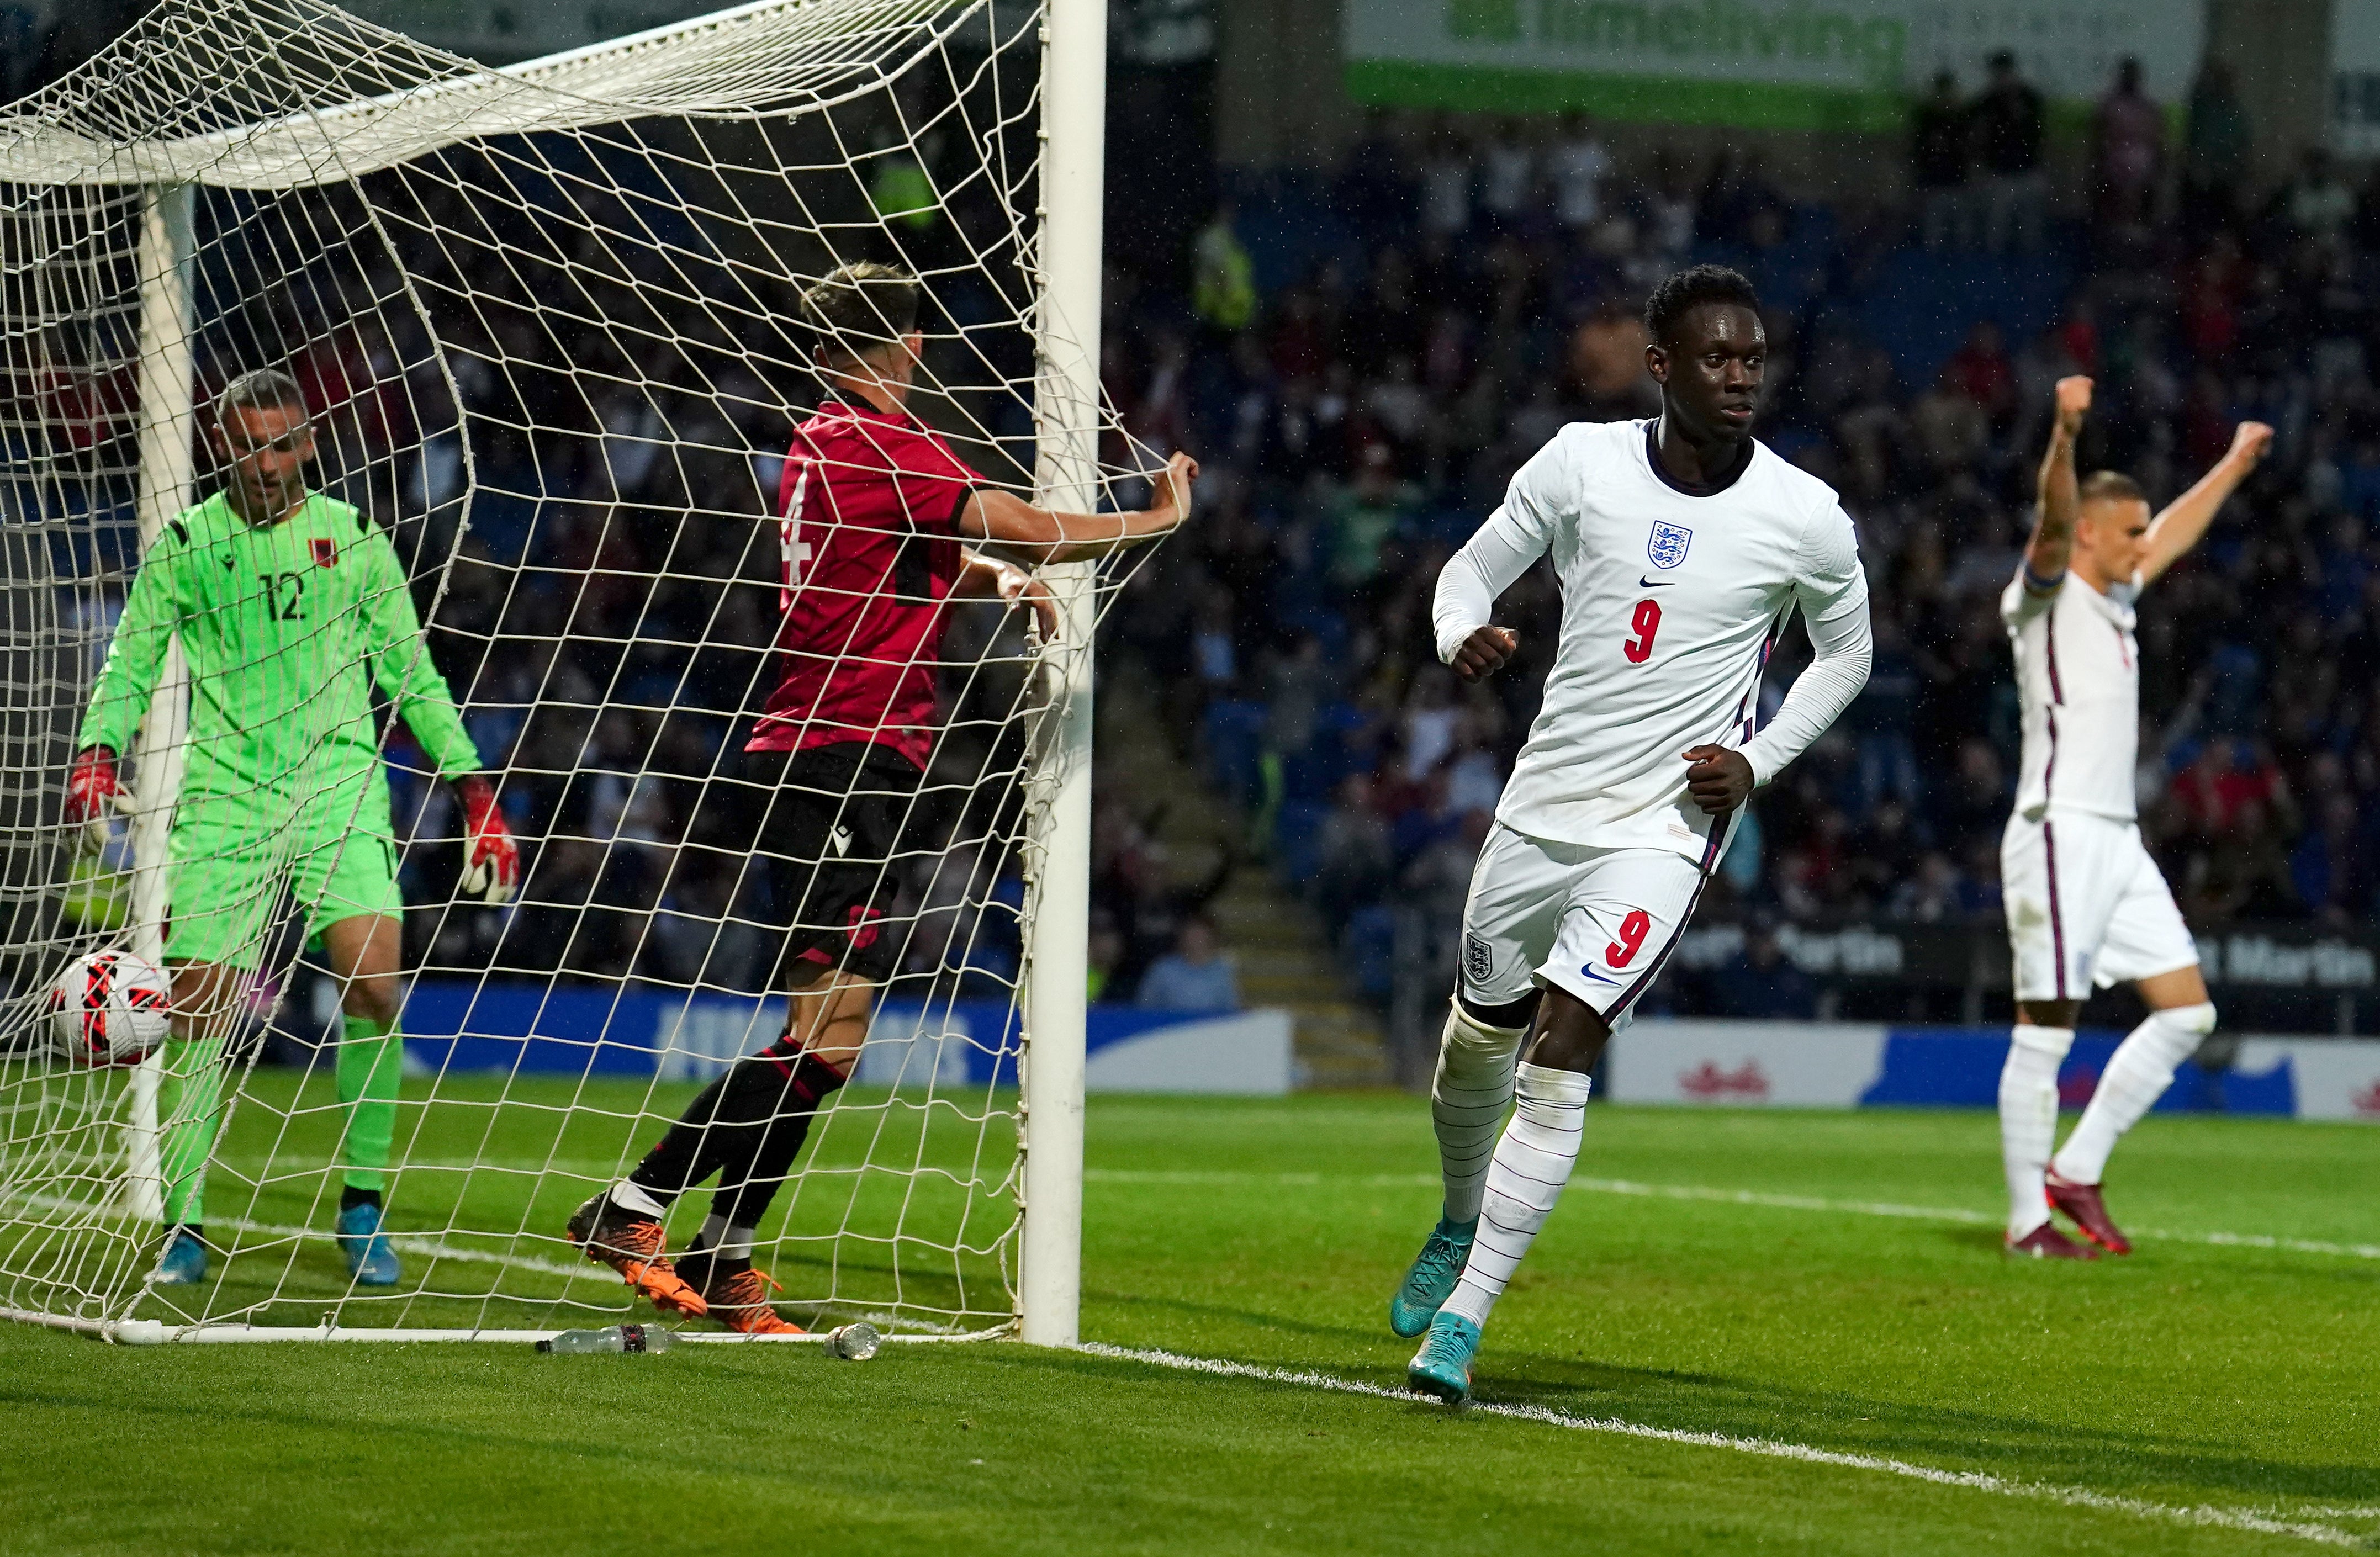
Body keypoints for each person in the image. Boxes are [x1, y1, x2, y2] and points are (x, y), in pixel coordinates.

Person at [563, 261, 1197, 1333]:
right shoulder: (890, 444)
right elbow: (1019, 524)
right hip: (842, 756)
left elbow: (895, 554)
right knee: (830, 1036)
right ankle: (638, 1203)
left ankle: (725, 1254)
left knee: (826, 1034)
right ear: (907, 347)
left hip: (823, 753)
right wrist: (1147, 521)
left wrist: (988, 581)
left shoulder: (818, 445)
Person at [1399, 264, 1873, 1400]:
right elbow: (1470, 569)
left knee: (1558, 1058)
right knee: (1475, 1046)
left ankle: (1460, 1326)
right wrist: (1460, 628)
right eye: (1717, 357)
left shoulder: (1803, 513)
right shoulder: (1580, 463)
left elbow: (1848, 654)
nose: (1741, 375)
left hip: (1662, 832)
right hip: (1540, 809)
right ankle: (1459, 1219)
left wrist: (1757, 758)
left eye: (1754, 358)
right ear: (1661, 367)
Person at [64, 368, 517, 1289]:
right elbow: (131, 660)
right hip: (229, 794)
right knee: (197, 1009)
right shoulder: (188, 545)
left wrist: (476, 789)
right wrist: (97, 748)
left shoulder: (353, 542)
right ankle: (185, 1225)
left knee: (374, 984)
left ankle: (361, 1205)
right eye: (246, 445)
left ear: (308, 444)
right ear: (221, 446)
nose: (265, 464)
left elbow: (413, 677)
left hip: (339, 791)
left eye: (281, 445)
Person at [1995, 376, 2271, 1259]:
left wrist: (2230, 464)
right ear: (2085, 532)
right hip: (2056, 829)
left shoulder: (2115, 598)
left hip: (2116, 838)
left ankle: (2074, 1171)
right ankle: (2027, 1221)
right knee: (2045, 1027)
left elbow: (2176, 537)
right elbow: (2047, 522)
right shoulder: (2040, 594)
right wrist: (2065, 436)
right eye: (2127, 533)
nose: (2142, 546)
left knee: (2188, 1014)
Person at [1135, 916, 1240, 1013]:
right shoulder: (1163, 969)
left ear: (1211, 936)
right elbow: (1144, 1007)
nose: (1195, 938)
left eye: (1200, 933)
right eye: (1191, 933)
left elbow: (1231, 1008)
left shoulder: (1224, 970)